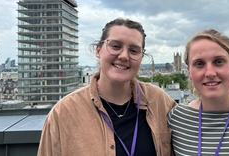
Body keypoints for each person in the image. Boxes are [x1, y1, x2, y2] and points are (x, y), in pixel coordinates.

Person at [38, 18, 177, 156]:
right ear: (98, 50)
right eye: (115, 46)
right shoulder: (64, 112)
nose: (124, 56)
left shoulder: (159, 101)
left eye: (134, 50)